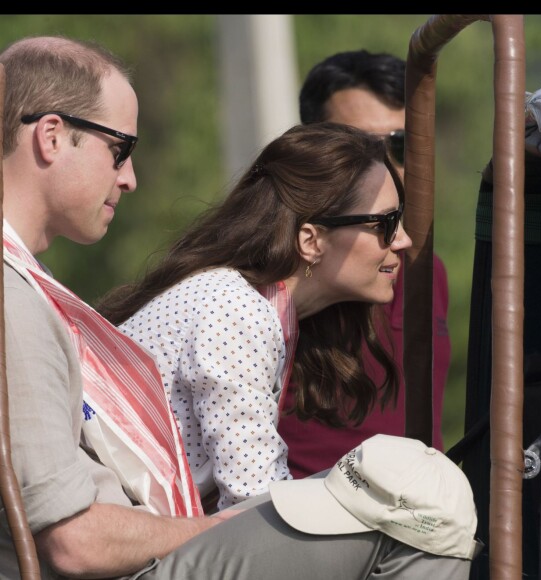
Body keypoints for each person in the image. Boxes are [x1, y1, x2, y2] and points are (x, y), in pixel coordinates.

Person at [0, 35, 477, 580]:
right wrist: (223, 530)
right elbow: (72, 541)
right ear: (52, 136)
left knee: (414, 499)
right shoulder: (227, 306)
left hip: (146, 546)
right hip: (131, 565)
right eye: (120, 149)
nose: (130, 177)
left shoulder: (29, 288)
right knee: (423, 507)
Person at [98, 117, 412, 511]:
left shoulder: (257, 307)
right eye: (386, 223)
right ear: (311, 241)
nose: (404, 240)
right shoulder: (236, 309)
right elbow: (255, 499)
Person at [277, 49, 452, 479]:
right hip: (302, 522)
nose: (385, 165)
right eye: (358, 147)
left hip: (415, 523)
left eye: (400, 144)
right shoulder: (272, 273)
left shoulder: (428, 271)